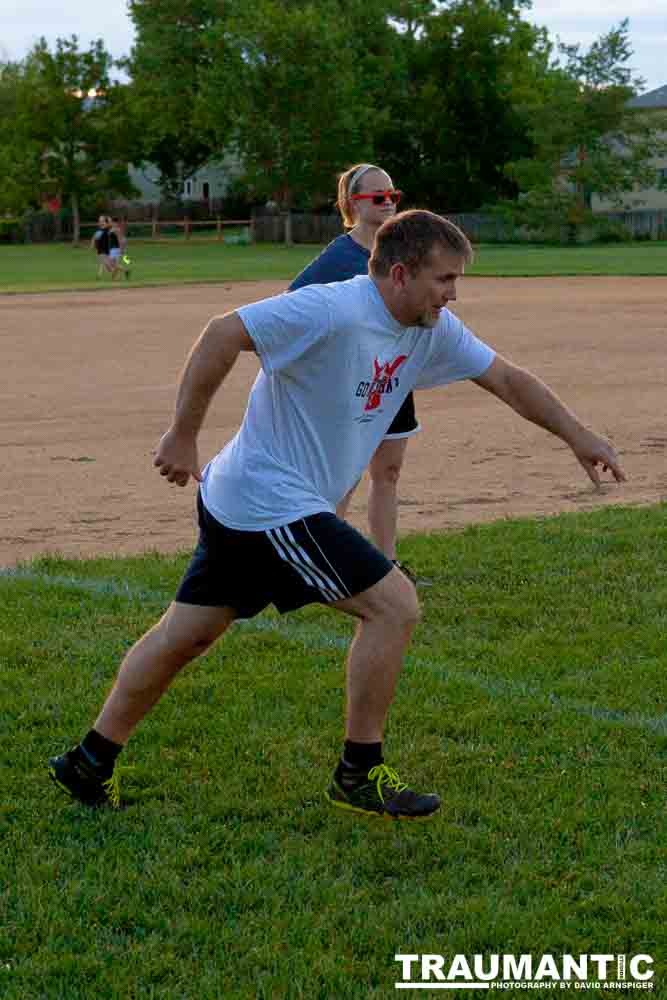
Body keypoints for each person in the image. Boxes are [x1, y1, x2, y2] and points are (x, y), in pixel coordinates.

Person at [48, 210, 625, 820]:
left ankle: (89, 760)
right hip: (268, 501)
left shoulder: (431, 327)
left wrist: (578, 435)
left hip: (245, 500)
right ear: (400, 274)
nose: (453, 294)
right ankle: (359, 770)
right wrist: (183, 435)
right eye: (444, 279)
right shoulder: (333, 310)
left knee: (185, 634)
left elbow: (507, 379)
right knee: (394, 605)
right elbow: (223, 332)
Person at [290, 163, 419, 579]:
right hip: (353, 387)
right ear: (352, 203)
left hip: (395, 377)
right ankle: (329, 564)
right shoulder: (338, 258)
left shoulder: (402, 253)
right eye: (376, 197)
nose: (386, 203)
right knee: (342, 478)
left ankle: (387, 564)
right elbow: (292, 307)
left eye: (391, 196)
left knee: (389, 472)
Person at [90, 215, 112, 279]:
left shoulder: (107, 227)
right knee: (104, 262)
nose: (100, 221)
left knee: (104, 261)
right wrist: (92, 244)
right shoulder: (99, 229)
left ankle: (99, 275)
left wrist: (108, 219)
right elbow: (94, 237)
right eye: (99, 220)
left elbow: (110, 223)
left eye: (102, 220)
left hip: (106, 247)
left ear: (105, 221)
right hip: (99, 247)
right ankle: (102, 273)